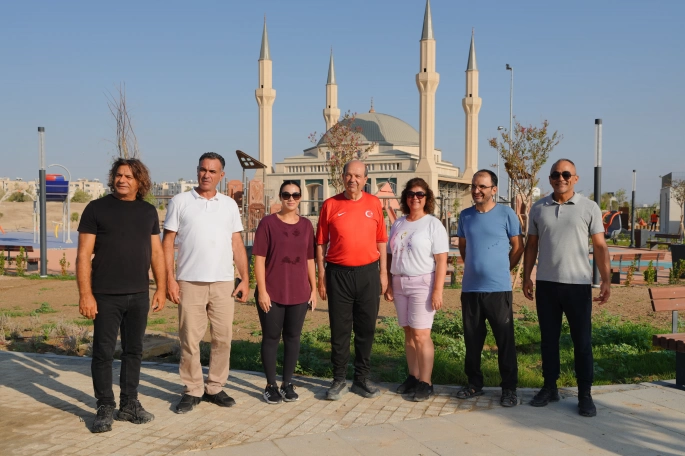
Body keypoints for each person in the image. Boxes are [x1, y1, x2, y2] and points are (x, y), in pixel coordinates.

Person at [76, 158, 166, 433]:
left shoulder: (148, 211)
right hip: (105, 295)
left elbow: (157, 253)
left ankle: (129, 404)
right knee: (103, 353)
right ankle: (105, 406)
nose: (122, 180)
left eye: (129, 176)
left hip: (138, 294)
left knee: (134, 351)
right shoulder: (96, 209)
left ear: (140, 181)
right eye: (118, 175)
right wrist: (85, 294)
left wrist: (161, 288)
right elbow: (83, 255)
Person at [523, 158, 611, 417]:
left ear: (575, 178)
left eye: (565, 174)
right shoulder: (538, 208)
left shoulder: (589, 207)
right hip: (547, 285)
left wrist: (606, 279)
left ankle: (585, 394)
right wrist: (527, 277)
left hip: (577, 285)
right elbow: (531, 246)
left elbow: (600, 246)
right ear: (549, 178)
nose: (560, 178)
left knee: (582, 342)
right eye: (555, 174)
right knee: (548, 341)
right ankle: (550, 387)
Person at [163, 152, 249, 414]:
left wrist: (245, 278)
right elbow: (167, 242)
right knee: (190, 339)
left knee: (223, 339)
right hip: (189, 282)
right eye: (203, 169)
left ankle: (215, 387)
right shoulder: (180, 202)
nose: (206, 175)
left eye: (212, 171)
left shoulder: (229, 205)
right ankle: (193, 389)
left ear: (221, 175)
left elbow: (237, 243)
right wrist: (169, 279)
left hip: (223, 282)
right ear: (197, 170)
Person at [316, 160, 388, 400]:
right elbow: (321, 242)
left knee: (366, 329)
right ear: (342, 177)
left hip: (368, 274)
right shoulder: (330, 204)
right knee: (340, 330)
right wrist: (321, 275)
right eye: (348, 175)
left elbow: (381, 240)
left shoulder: (374, 203)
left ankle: (361, 379)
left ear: (365, 179)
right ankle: (338, 379)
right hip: (338, 275)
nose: (352, 180)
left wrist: (383, 273)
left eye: (357, 176)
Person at [455, 170, 523, 407]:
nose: (476, 190)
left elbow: (518, 247)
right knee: (472, 340)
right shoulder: (465, 216)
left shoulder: (506, 214)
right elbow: (463, 247)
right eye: (474, 186)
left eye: (482, 187)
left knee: (504, 340)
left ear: (494, 189)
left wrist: (503, 269)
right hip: (471, 290)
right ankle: (474, 383)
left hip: (498, 290)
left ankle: (509, 388)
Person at [384, 178, 448, 402]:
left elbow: (441, 260)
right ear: (405, 197)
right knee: (409, 332)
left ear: (427, 197)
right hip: (400, 282)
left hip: (423, 283)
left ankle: (426, 382)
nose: (415, 198)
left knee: (421, 334)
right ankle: (413, 376)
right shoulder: (398, 223)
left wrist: (437, 290)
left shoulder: (433, 224)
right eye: (411, 194)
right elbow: (390, 254)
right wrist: (389, 283)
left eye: (420, 194)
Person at [253, 181, 317, 404]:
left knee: (293, 338)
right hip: (272, 291)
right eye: (287, 194)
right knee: (271, 337)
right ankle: (270, 385)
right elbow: (259, 259)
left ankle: (287, 383)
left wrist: (313, 289)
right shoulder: (268, 223)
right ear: (280, 197)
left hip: (299, 292)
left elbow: (310, 259)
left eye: (295, 195)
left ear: (300, 197)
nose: (291, 198)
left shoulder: (306, 226)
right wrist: (262, 291)